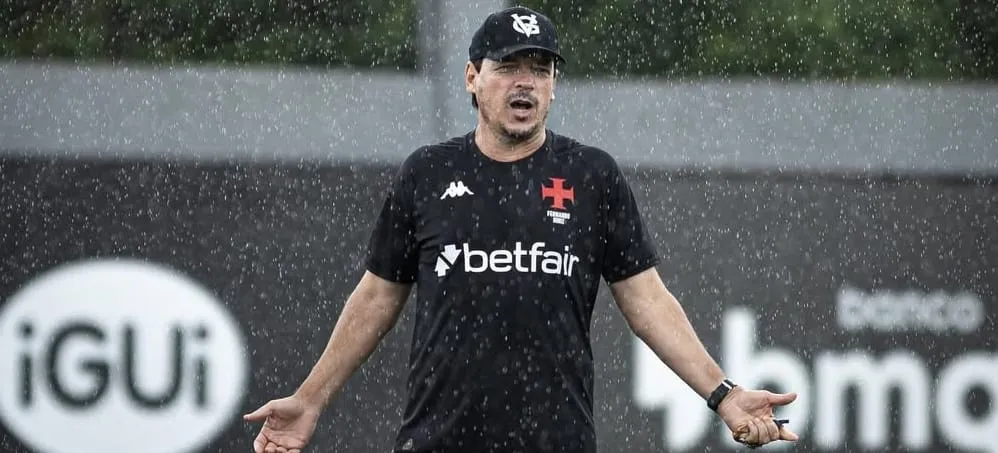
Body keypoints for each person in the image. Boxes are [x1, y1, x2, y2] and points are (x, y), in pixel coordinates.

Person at [244, 6, 799, 453]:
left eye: (540, 69)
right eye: (509, 66)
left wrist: (723, 395)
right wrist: (310, 401)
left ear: (554, 85)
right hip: (438, 441)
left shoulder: (592, 175)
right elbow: (375, 299)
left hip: (556, 442)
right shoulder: (427, 172)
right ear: (473, 77)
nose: (526, 83)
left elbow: (649, 302)